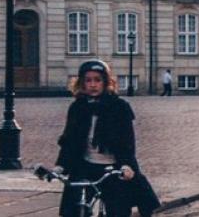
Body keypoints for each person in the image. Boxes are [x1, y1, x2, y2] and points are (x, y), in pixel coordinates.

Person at [54, 60, 160, 217]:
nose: (93, 85)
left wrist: (126, 165)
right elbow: (69, 140)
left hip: (113, 168)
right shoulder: (77, 107)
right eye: (88, 80)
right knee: (73, 209)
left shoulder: (119, 107)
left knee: (118, 210)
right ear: (81, 83)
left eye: (97, 80)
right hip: (85, 166)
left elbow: (127, 142)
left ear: (106, 82)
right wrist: (61, 166)